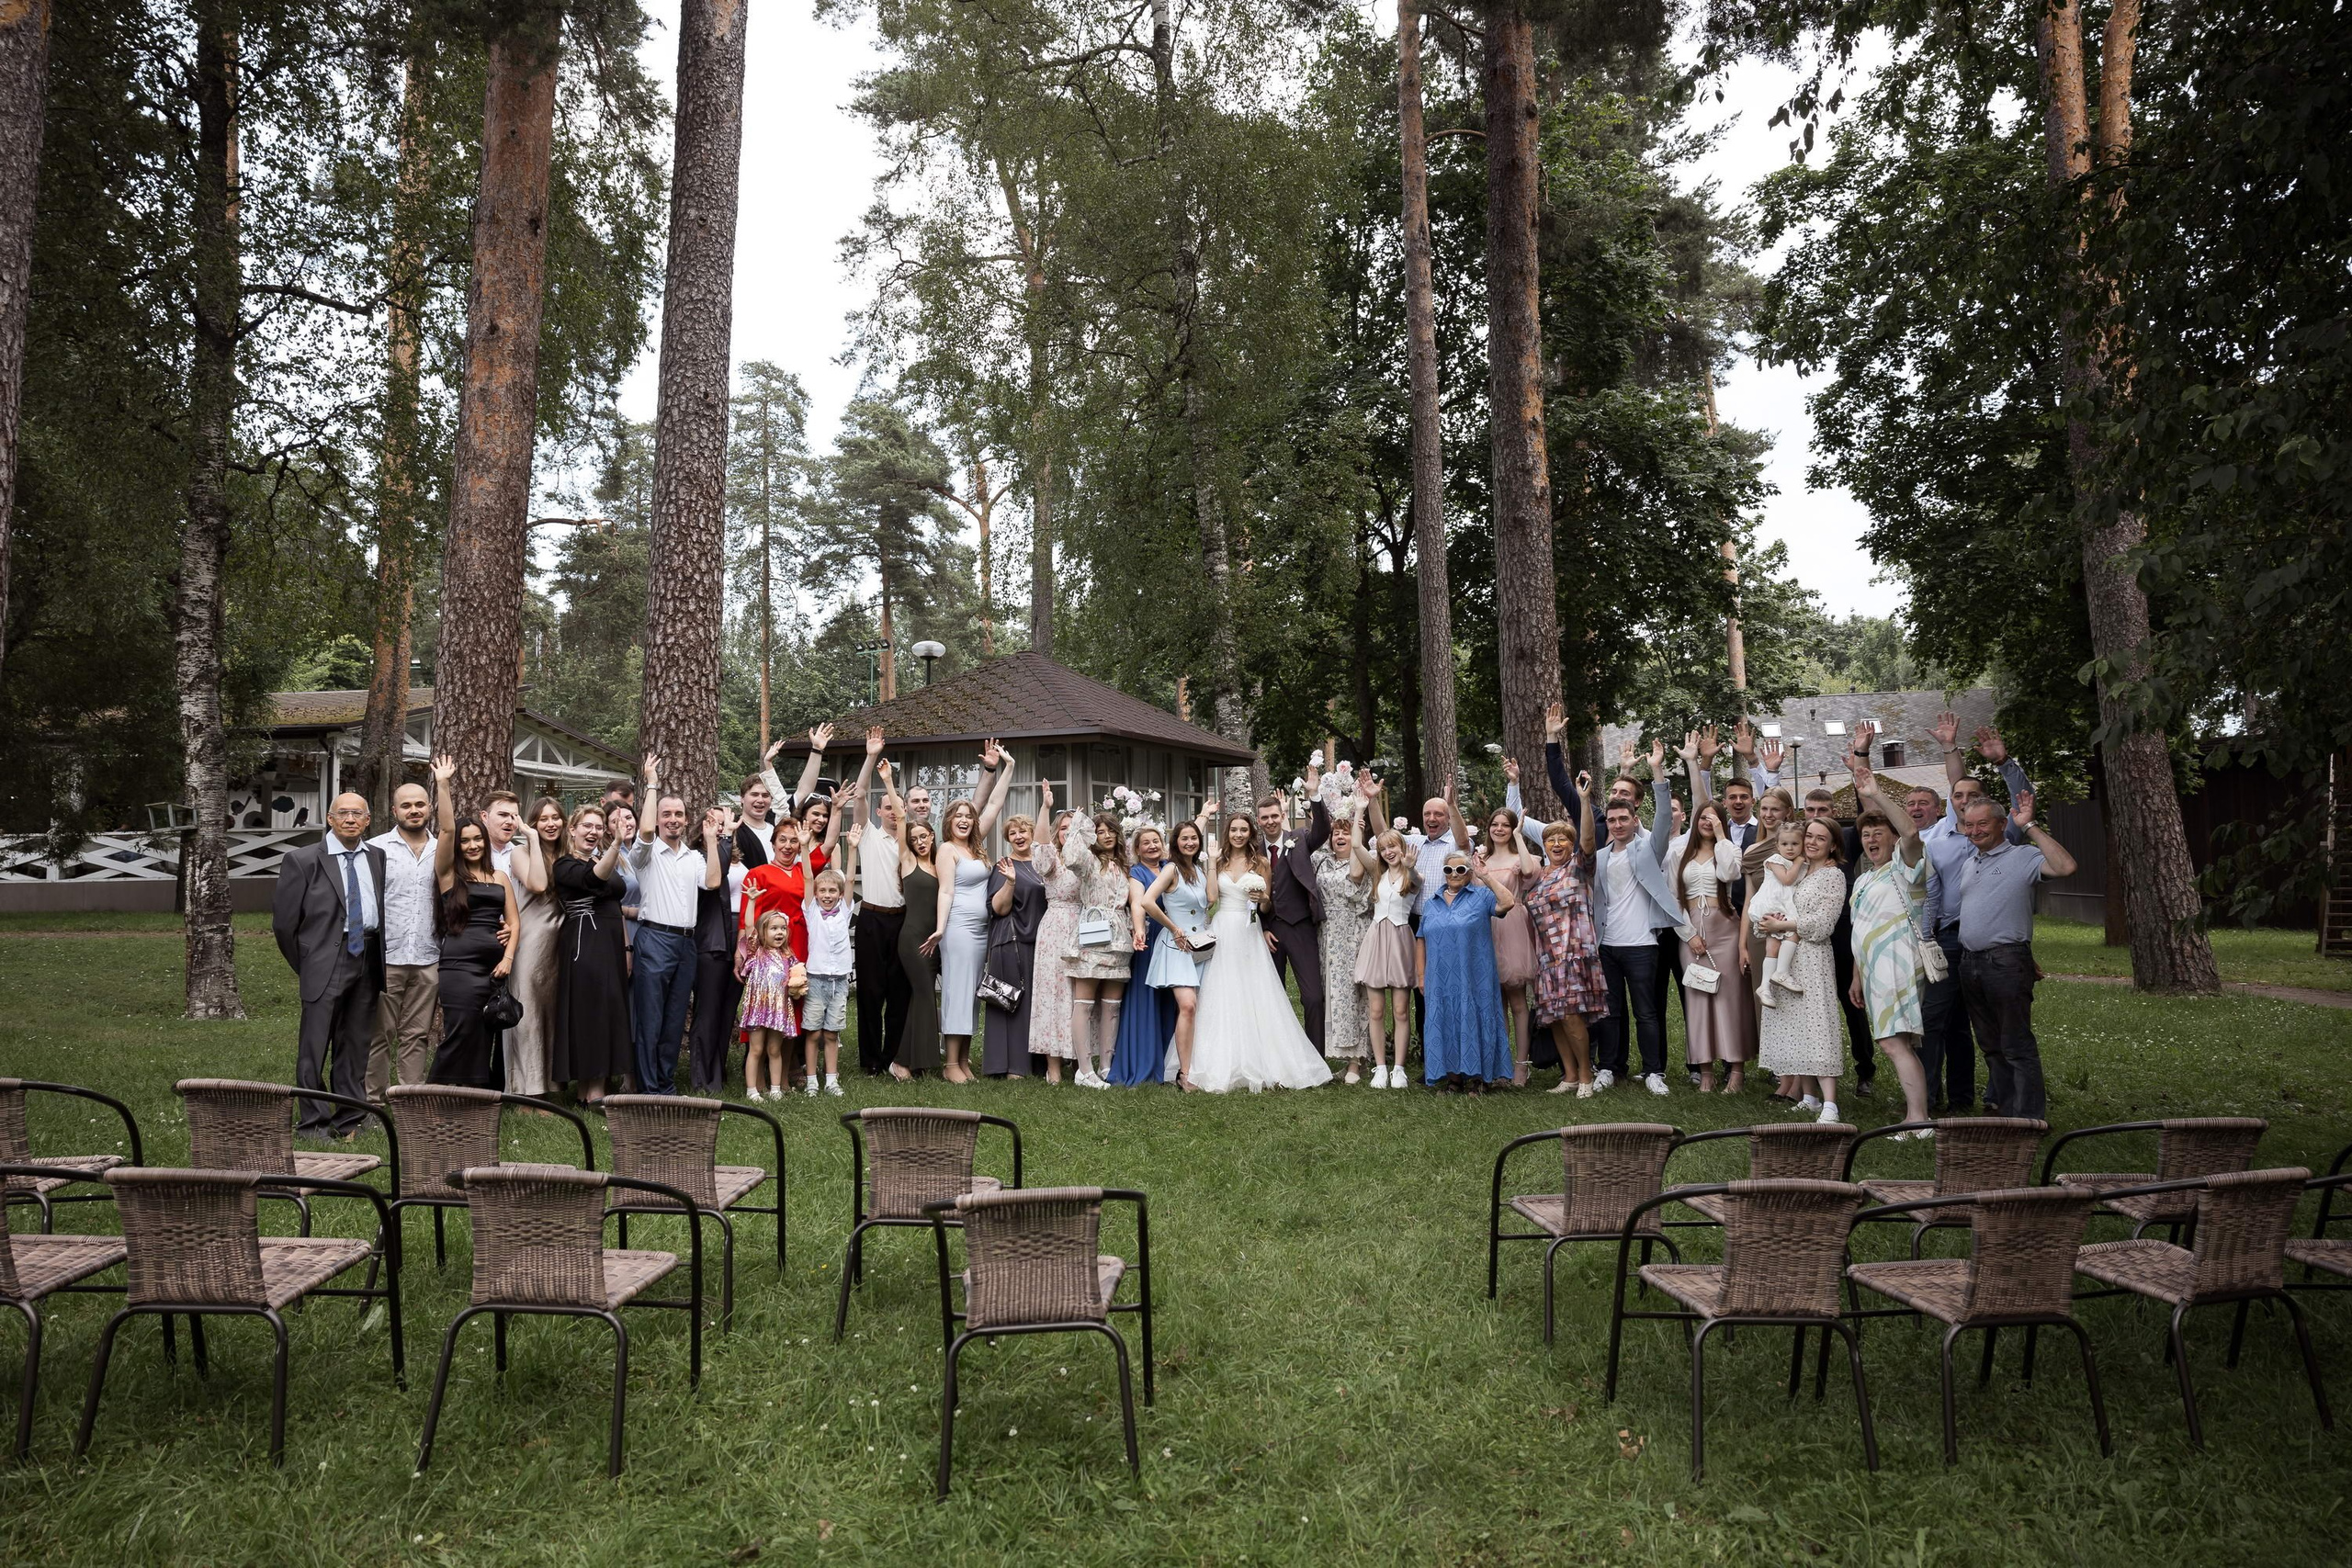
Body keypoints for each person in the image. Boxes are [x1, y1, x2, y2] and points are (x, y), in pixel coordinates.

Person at [1918, 712, 2037, 1112]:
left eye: (1973, 796)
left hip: (1996, 944)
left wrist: (2003, 762)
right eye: (1958, 797)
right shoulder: (1940, 843)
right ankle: (1931, 1101)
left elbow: (2023, 803)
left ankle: (1997, 1101)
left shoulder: (2004, 836)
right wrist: (1927, 939)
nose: (1965, 801)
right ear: (1951, 804)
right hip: (1951, 941)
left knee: (1996, 1028)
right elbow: (1931, 897)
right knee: (1939, 1022)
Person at [1185, 808, 1333, 1092]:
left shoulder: (1261, 862)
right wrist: (1213, 863)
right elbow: (1212, 897)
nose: (1238, 834)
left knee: (1256, 991)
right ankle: (1224, 1057)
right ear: (1227, 833)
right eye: (1234, 830)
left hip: (1249, 930)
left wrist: (1263, 897)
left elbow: (1266, 907)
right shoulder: (1218, 860)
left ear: (1250, 833)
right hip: (1224, 928)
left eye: (1243, 830)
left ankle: (1267, 1056)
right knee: (1223, 991)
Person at [1952, 789, 2075, 1121]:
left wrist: (2030, 826)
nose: (1974, 831)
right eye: (1968, 825)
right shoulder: (1970, 864)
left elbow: (2066, 867)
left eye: (1982, 824)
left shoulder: (2022, 856)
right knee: (1991, 1047)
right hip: (1970, 963)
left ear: (2002, 824)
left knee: (2016, 1045)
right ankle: (2006, 1115)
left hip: (2005, 962)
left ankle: (2029, 1120)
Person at [271, 790, 386, 1140]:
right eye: (343, 813)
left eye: (357, 814)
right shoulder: (303, 860)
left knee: (355, 1042)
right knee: (315, 1045)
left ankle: (349, 1117)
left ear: (367, 820)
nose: (350, 819)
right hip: (325, 958)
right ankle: (313, 1122)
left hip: (367, 956)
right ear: (330, 819)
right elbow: (284, 924)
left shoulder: (376, 856)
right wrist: (308, 963)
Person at [1589, 739, 1693, 1096]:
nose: (1617, 824)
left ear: (1635, 820)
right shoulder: (1601, 857)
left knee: (1646, 1012)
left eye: (1624, 819)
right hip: (1607, 945)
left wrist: (1657, 770)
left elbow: (1664, 817)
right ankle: (1608, 1067)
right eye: (1612, 820)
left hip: (1642, 944)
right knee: (1610, 1011)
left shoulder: (1648, 849)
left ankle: (1653, 1071)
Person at [627, 755, 725, 1095]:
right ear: (657, 819)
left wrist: (711, 840)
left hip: (686, 944)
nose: (673, 819)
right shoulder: (645, 853)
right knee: (651, 1019)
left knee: (674, 1018)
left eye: (679, 814)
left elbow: (712, 882)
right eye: (666, 814)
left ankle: (665, 1085)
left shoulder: (693, 856)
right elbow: (644, 831)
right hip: (654, 938)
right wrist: (652, 783)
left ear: (686, 820)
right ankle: (648, 1089)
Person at [1847, 761, 1935, 1130]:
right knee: (1896, 1042)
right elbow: (1860, 929)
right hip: (1872, 969)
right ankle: (1915, 1115)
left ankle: (1918, 1121)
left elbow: (1911, 830)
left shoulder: (1905, 866)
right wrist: (1857, 976)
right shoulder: (1864, 878)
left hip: (1897, 963)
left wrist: (1875, 794)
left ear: (1893, 838)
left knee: (1893, 1042)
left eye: (1878, 833)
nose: (1871, 840)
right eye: (1866, 835)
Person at [427, 757, 517, 1089]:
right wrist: (443, 784)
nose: (472, 845)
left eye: (477, 838)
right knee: (460, 1030)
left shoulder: (500, 876)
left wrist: (508, 958)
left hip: (493, 970)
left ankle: (477, 1097)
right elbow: (447, 829)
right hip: (459, 967)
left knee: (484, 1032)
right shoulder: (449, 875)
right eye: (465, 841)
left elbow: (514, 922)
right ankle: (433, 1095)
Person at [1755, 818, 1850, 1123]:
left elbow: (1824, 924)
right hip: (1788, 956)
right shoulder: (1800, 869)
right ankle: (1809, 1097)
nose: (1811, 842)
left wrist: (1782, 925)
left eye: (1820, 838)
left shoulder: (1833, 875)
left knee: (1818, 1025)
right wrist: (1771, 920)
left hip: (1812, 957)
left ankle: (1831, 1104)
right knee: (1796, 1027)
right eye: (1809, 835)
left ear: (1832, 845)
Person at [930, 741, 1010, 1085]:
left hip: (981, 931)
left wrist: (1008, 767)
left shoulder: (976, 847)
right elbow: (946, 891)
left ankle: (963, 1060)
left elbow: (995, 803)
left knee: (973, 994)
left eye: (968, 817)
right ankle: (950, 1064)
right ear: (948, 822)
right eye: (958, 816)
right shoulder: (947, 850)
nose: (964, 820)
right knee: (958, 993)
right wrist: (940, 928)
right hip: (958, 929)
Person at [1417, 846, 1518, 1089]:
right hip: (1439, 977)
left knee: (1475, 1017)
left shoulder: (1481, 897)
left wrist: (1486, 877)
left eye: (1460, 869)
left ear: (1469, 873)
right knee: (1445, 1020)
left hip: (1475, 975)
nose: (1454, 874)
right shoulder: (1431, 903)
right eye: (1448, 869)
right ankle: (1453, 1080)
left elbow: (1508, 902)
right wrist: (1421, 975)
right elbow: (1421, 938)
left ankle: (1480, 1078)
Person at [549, 803, 631, 1102]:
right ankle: (593, 1090)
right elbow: (595, 879)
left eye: (598, 827)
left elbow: (615, 905)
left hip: (611, 943)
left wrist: (627, 946)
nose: (593, 832)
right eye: (587, 826)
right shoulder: (565, 865)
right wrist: (617, 844)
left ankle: (589, 1089)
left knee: (607, 1010)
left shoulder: (602, 858)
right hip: (585, 943)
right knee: (590, 1012)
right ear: (572, 830)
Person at [843, 728, 912, 1077]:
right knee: (870, 993)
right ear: (879, 812)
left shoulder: (912, 842)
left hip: (903, 921)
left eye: (897, 808)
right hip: (871, 920)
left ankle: (893, 1057)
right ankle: (870, 1060)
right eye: (887, 808)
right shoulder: (869, 834)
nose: (892, 812)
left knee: (900, 993)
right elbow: (859, 794)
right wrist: (870, 756)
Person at [1524, 812, 1608, 1098]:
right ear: (1544, 845)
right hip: (1546, 957)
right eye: (1551, 840)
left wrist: (1584, 803)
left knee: (1571, 1016)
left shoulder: (1579, 867)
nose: (1557, 844)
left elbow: (1589, 842)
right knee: (1555, 1017)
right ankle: (1570, 1075)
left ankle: (1586, 1075)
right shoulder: (1539, 875)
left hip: (1573, 952)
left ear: (1572, 845)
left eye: (1563, 839)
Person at [366, 780, 438, 1104]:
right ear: (395, 810)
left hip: (428, 956)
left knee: (417, 1035)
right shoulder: (376, 848)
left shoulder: (442, 849)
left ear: (429, 808)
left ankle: (410, 1103)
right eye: (406, 805)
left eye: (419, 804)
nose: (414, 810)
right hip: (387, 958)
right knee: (379, 1034)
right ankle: (374, 1104)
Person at [1675, 796, 1754, 1094]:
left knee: (1730, 999)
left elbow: (1729, 874)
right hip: (1692, 929)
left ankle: (1736, 1070)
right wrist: (1688, 934)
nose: (1707, 822)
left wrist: (1722, 835)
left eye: (1714, 818)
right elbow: (1673, 898)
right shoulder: (1681, 853)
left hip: (1725, 930)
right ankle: (1705, 1070)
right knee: (1698, 998)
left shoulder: (1730, 850)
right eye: (1703, 817)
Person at [1063, 810, 1147, 1089]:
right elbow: (1070, 858)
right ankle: (1084, 1070)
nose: (1107, 836)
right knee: (1084, 1004)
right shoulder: (1089, 860)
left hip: (1120, 937)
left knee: (1112, 1005)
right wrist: (1078, 826)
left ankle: (1107, 1066)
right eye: (1100, 831)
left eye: (1111, 830)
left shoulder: (1125, 865)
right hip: (1092, 934)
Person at [1256, 757, 1331, 1050]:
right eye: (1265, 818)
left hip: (1300, 927)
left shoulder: (1299, 838)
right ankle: (1275, 1053)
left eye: (1274, 816)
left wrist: (1314, 795)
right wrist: (1262, 927)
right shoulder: (1253, 850)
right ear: (1259, 821)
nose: (1270, 821)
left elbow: (1322, 830)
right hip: (1269, 932)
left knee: (1312, 997)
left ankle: (1316, 1056)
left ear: (1281, 815)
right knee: (1269, 997)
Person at [1141, 817, 1216, 1089]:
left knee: (1200, 1007)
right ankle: (1184, 1073)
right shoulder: (1171, 869)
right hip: (1178, 946)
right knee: (1187, 1005)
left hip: (1201, 945)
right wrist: (1173, 928)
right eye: (1184, 838)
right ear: (1175, 842)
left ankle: (1201, 1063)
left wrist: (1213, 861)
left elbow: (1211, 899)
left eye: (1194, 838)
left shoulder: (1198, 869)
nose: (1190, 842)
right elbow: (1147, 901)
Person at [984, 793, 1055, 1077]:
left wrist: (1046, 807)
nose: (1018, 836)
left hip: (1041, 942)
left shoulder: (1044, 865)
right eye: (1012, 833)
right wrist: (1010, 883)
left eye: (1023, 831)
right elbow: (998, 908)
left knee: (1035, 1004)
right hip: (1010, 941)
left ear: (1032, 834)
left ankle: (1036, 1063)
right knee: (1010, 1002)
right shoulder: (1004, 866)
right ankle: (1010, 1065)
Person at [1479, 785, 1544, 1086]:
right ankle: (1501, 1063)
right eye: (1495, 825)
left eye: (1505, 825)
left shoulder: (1520, 859)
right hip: (1487, 928)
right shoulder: (1482, 860)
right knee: (1497, 1003)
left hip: (1513, 927)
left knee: (1517, 1000)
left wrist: (1520, 836)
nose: (1499, 829)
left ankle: (1521, 1063)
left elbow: (1531, 873)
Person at [1347, 818, 1418, 1089]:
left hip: (1400, 941)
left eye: (1393, 847)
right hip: (1376, 940)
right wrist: (1359, 812)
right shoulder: (1378, 873)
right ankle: (1380, 1067)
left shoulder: (1411, 875)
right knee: (1376, 1010)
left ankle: (1399, 1068)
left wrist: (1411, 867)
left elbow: (1417, 881)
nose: (1388, 852)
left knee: (1400, 1010)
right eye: (1383, 849)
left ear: (1402, 848)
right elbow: (1356, 845)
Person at [1313, 784, 1376, 1083]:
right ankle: (1341, 1055)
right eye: (1336, 832)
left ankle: (1356, 1061)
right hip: (1327, 935)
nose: (1340, 836)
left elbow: (1354, 876)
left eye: (1346, 832)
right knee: (1333, 995)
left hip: (1353, 933)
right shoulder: (1321, 861)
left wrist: (1359, 814)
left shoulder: (1361, 860)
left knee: (1353, 995)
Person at [1109, 823, 1178, 1085]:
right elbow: (1137, 902)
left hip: (1174, 937)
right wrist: (1139, 930)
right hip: (1149, 939)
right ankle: (1146, 1060)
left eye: (1155, 841)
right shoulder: (1136, 873)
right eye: (1145, 843)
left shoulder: (1170, 867)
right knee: (1148, 997)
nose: (1152, 846)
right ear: (1137, 850)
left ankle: (1171, 1060)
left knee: (1172, 997)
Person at [503, 796, 562, 1097]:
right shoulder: (519, 852)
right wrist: (533, 841)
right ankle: (526, 1089)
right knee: (528, 1016)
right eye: (543, 819)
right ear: (532, 824)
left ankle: (551, 1083)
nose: (550, 824)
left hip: (559, 943)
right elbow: (538, 884)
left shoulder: (567, 853)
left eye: (555, 818)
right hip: (530, 942)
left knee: (552, 1015)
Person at [686, 806, 740, 1094]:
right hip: (708, 944)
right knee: (707, 1013)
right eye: (714, 822)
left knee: (723, 1013)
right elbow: (716, 876)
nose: (720, 827)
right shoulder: (697, 857)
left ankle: (717, 1074)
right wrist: (726, 837)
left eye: (724, 823)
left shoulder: (728, 853)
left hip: (728, 943)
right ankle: (701, 1079)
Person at [891, 798, 944, 1078]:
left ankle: (912, 1060)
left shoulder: (941, 864)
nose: (919, 842)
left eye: (923, 836)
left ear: (932, 836)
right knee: (924, 994)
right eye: (914, 839)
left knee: (922, 997)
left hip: (937, 940)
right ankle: (903, 1062)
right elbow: (901, 819)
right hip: (914, 940)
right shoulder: (909, 861)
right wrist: (888, 782)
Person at [735, 911, 802, 1100]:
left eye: (783, 928)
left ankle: (775, 1089)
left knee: (774, 1050)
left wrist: (798, 985)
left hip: (778, 1011)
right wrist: (751, 901)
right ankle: (752, 1091)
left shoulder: (788, 956)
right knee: (756, 1049)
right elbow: (749, 926)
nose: (779, 932)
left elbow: (797, 978)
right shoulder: (756, 952)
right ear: (762, 933)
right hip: (758, 1010)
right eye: (774, 928)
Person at [800, 866, 854, 1096]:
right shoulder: (812, 911)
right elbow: (807, 877)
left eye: (832, 891)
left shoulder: (844, 912)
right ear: (815, 894)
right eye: (822, 891)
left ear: (840, 895)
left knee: (832, 1033)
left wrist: (853, 850)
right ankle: (812, 1081)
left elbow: (850, 879)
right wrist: (804, 848)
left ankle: (832, 1080)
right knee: (813, 1033)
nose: (827, 895)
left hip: (839, 982)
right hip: (816, 980)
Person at [1748, 824, 1809, 1005]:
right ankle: (1782, 972)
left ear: (1802, 844)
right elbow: (1787, 879)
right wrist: (1799, 861)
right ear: (1777, 845)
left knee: (1773, 947)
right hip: (1773, 906)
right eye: (1784, 844)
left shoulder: (1801, 864)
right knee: (1793, 933)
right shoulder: (1775, 860)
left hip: (1783, 906)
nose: (1789, 848)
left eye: (1795, 844)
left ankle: (1764, 987)